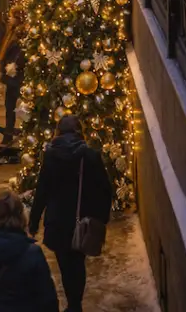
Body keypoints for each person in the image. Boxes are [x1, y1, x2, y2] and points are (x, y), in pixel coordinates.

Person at [29, 115, 112, 312]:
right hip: (82, 220)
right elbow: (105, 190)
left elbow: (42, 190)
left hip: (58, 221)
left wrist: (34, 220)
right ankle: (76, 304)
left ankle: (73, 303)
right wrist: (101, 219)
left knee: (65, 264)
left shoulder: (51, 157)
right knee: (78, 262)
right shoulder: (90, 156)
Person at [0, 7, 26, 146]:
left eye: (12, 16)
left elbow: (20, 54)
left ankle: (10, 134)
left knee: (12, 105)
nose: (10, 19)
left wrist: (13, 66)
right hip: (12, 76)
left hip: (16, 76)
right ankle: (9, 133)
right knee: (9, 106)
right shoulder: (12, 32)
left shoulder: (20, 34)